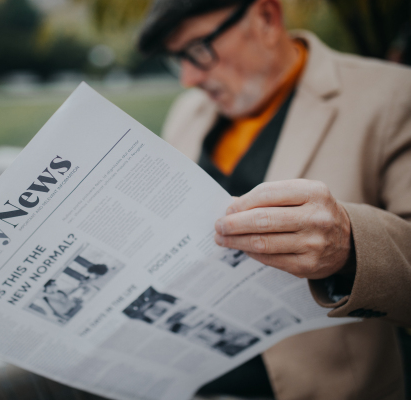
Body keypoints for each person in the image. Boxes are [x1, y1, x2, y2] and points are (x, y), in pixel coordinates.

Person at [136, 0, 411, 398]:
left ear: (265, 18)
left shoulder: (393, 97)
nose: (189, 78)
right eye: (176, 58)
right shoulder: (187, 113)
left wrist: (350, 246)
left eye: (198, 49)